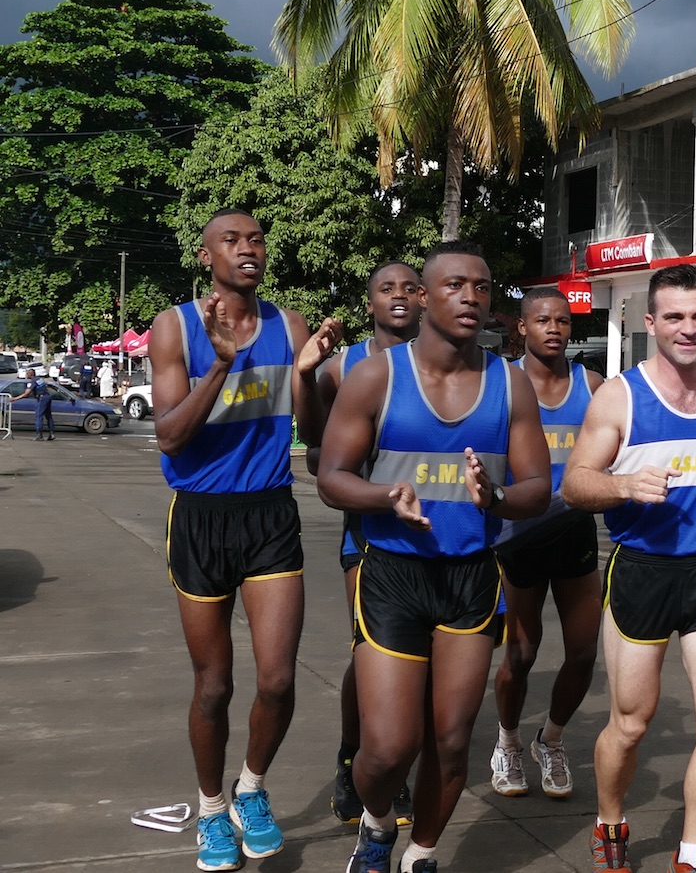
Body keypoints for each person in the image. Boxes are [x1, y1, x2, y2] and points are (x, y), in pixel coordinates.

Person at [316, 241, 551, 873]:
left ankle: (420, 854)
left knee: (449, 743)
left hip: (470, 578)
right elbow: (331, 476)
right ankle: (375, 825)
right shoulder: (377, 376)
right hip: (392, 574)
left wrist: (497, 496)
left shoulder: (510, 383)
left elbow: (537, 489)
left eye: (482, 286)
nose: (470, 297)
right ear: (423, 296)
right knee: (388, 750)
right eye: (454, 285)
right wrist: (385, 496)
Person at [149, 208, 342, 872]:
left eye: (256, 238)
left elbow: (313, 436)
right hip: (200, 517)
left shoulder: (290, 326)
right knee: (214, 687)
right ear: (206, 256)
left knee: (279, 680)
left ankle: (250, 789)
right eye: (230, 241)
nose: (247, 248)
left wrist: (307, 374)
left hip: (269, 513)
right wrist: (221, 367)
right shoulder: (175, 327)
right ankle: (210, 810)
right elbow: (169, 436)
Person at [561, 264, 696, 873]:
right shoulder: (620, 396)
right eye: (674, 317)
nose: (688, 328)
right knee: (631, 724)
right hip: (642, 572)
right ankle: (610, 821)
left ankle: (692, 850)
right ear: (650, 323)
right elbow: (574, 485)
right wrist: (624, 485)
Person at [310, 261, 422, 828]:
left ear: (424, 299)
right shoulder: (343, 367)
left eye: (409, 287)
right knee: (370, 650)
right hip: (369, 531)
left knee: (424, 661)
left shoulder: (447, 362)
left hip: (438, 530)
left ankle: (395, 760)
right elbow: (316, 451)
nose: (398, 296)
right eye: (386, 288)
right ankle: (357, 756)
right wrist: (307, 378)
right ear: (369, 302)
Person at [489, 287, 604, 800]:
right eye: (542, 320)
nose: (554, 329)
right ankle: (508, 741)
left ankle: (550, 740)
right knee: (521, 653)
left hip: (574, 532)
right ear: (522, 327)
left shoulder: (592, 386)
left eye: (562, 320)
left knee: (583, 652)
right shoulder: (502, 384)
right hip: (520, 536)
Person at [11, 368, 55, 441]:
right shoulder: (39, 379)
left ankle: (39, 435)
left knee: (39, 416)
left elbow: (26, 393)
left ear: (31, 374)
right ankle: (52, 433)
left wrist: (14, 399)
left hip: (41, 398)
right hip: (47, 397)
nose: (26, 375)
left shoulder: (33, 381)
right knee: (48, 416)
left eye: (27, 373)